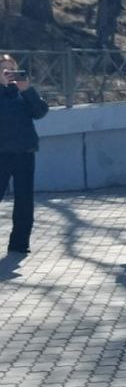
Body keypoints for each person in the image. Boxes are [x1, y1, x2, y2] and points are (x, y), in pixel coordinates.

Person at [1, 54, 50, 255]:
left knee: (24, 200)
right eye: (5, 70)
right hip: (1, 153)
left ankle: (19, 244)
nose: (10, 73)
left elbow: (40, 112)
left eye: (13, 68)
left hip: (24, 152)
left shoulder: (24, 92)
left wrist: (28, 90)